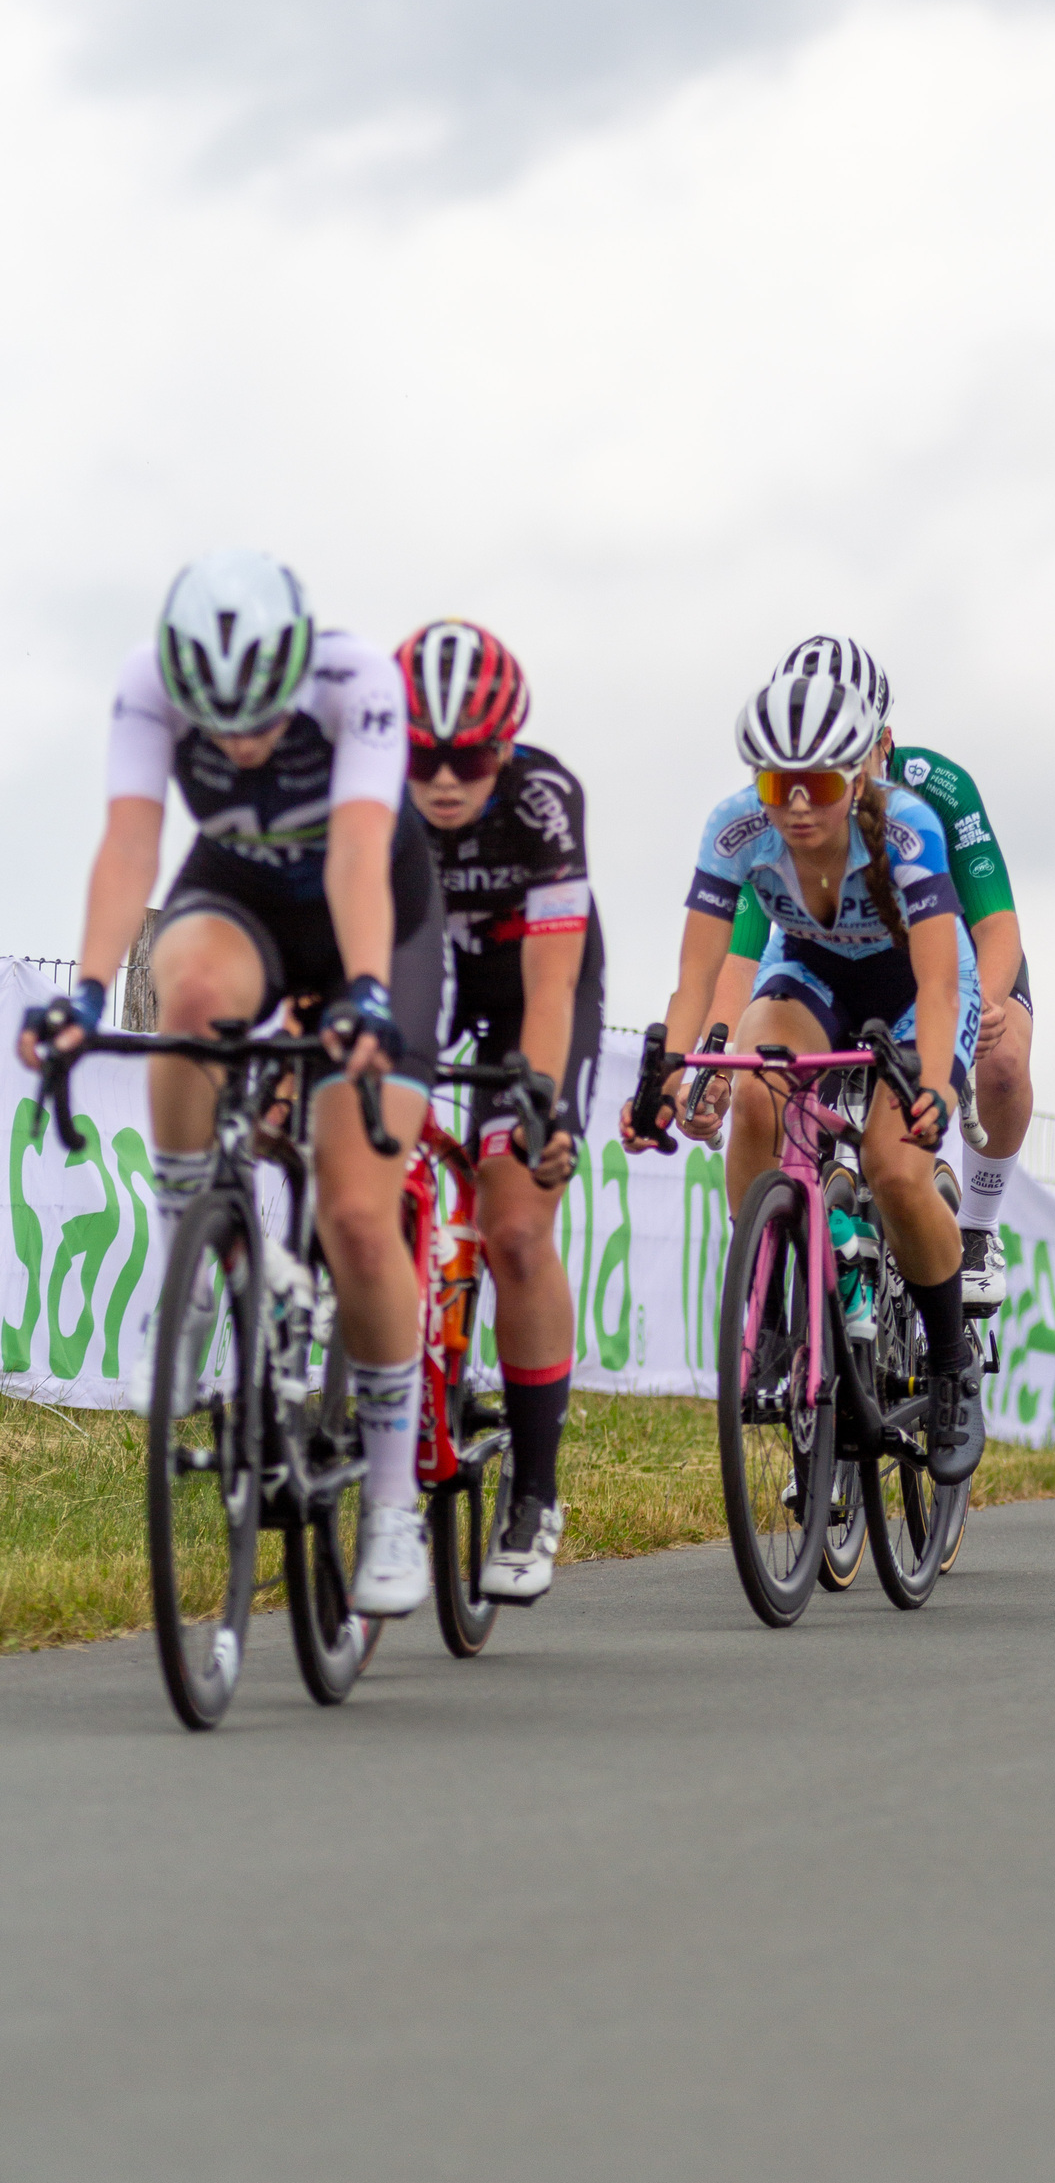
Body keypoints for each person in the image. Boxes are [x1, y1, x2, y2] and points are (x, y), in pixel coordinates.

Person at [19, 550, 444, 1611]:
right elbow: (131, 846)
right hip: (240, 888)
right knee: (188, 989)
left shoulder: (358, 683)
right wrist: (78, 990)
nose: (243, 742)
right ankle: (189, 1259)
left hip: (372, 913)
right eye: (221, 727)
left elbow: (355, 855)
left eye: (258, 719)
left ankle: (393, 1502)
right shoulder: (146, 681)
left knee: (354, 1211)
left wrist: (360, 994)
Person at [620, 668, 987, 1484]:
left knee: (895, 1167)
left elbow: (937, 983)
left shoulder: (908, 828)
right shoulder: (734, 828)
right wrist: (667, 1082)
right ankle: (776, 1302)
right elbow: (698, 975)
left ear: (858, 775)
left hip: (911, 989)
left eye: (816, 785)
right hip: (812, 974)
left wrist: (934, 1087)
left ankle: (954, 1364)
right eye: (776, 783)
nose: (794, 806)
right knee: (755, 1088)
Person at [700, 634, 1029, 1315]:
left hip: (945, 952)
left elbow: (995, 926)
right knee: (769, 1080)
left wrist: (986, 1007)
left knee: (1002, 1060)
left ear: (884, 739)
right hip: (825, 962)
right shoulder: (776, 812)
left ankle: (979, 1228)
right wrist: (718, 1059)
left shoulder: (933, 790)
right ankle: (786, 1276)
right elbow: (740, 956)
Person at [400, 618, 604, 1601]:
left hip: (532, 988)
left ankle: (537, 1490)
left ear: (507, 746)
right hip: (424, 975)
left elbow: (556, 987)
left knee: (516, 1225)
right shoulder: (372, 803)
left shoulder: (541, 799)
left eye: (470, 756)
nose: (443, 778)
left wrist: (545, 1106)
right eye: (421, 755)